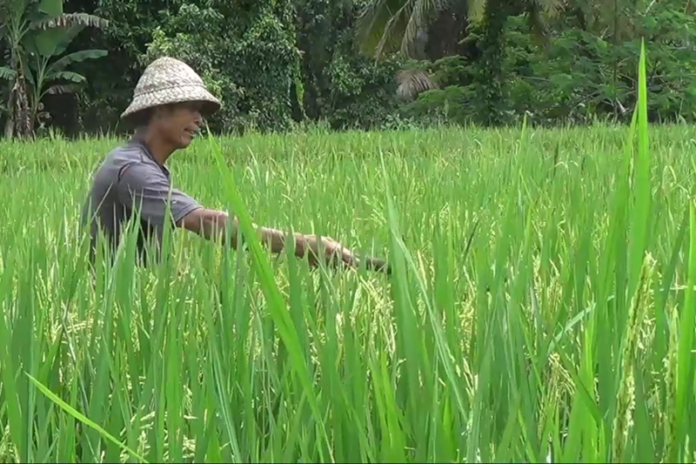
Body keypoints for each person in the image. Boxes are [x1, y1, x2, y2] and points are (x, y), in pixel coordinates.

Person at [81, 56, 356, 270]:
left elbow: (145, 258)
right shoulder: (133, 170)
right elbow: (207, 222)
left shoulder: (141, 163)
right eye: (191, 108)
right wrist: (301, 245)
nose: (199, 119)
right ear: (161, 108)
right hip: (110, 310)